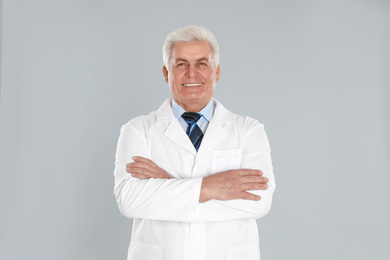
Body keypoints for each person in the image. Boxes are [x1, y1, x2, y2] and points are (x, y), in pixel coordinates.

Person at [113, 25, 275, 260]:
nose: (191, 74)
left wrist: (167, 183)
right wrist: (211, 187)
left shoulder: (249, 130)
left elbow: (259, 202)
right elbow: (130, 201)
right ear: (166, 73)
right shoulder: (137, 130)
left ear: (216, 72)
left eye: (202, 63)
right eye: (181, 64)